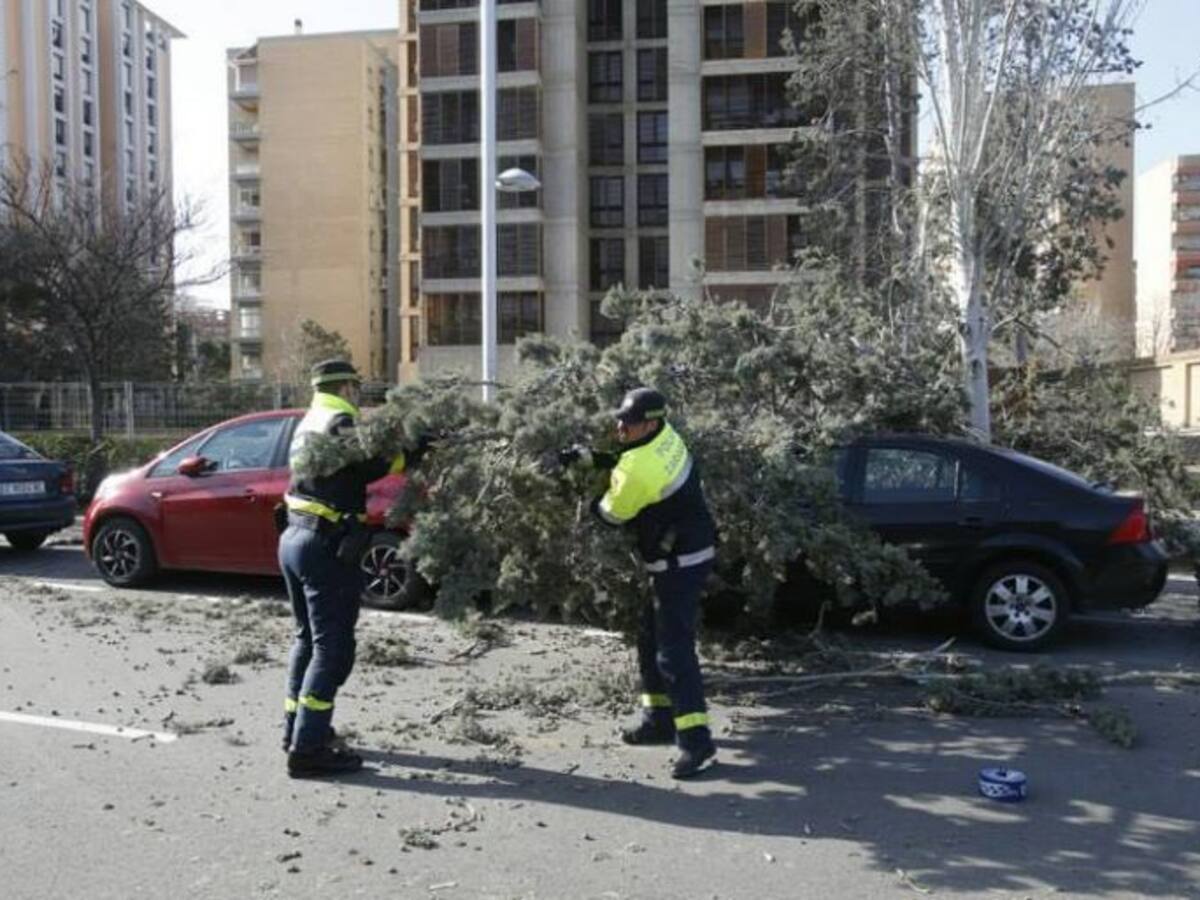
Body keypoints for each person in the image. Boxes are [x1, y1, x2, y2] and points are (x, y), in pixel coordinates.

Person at [559, 387, 718, 779]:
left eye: (627, 424)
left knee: (674, 652)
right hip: (690, 546)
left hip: (677, 562)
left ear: (649, 423)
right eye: (620, 420)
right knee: (649, 637)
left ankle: (696, 742)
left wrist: (583, 494)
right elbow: (629, 458)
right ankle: (658, 720)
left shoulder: (639, 468)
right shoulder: (666, 436)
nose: (620, 428)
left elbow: (611, 515)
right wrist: (594, 459)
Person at [279, 359, 423, 778]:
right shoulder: (339, 421)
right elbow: (372, 464)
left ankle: (298, 730)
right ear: (345, 388)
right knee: (333, 650)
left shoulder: (310, 420)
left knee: (308, 641)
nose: (358, 395)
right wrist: (416, 449)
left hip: (295, 537)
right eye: (356, 387)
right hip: (325, 544)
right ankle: (309, 750)